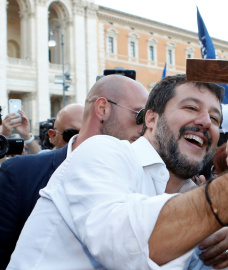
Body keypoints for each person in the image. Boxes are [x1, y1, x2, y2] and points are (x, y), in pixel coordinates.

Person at [8, 74, 228, 269]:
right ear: (151, 119)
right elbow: (132, 245)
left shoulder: (189, 199)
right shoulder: (103, 153)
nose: (206, 122)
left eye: (216, 118)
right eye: (191, 107)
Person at [0, 74, 148, 269]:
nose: (144, 128)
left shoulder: (145, 179)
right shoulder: (21, 174)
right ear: (102, 109)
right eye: (139, 116)